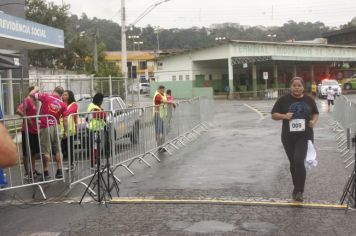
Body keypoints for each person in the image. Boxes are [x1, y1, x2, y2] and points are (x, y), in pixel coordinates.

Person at [271, 77, 319, 202]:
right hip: (288, 137)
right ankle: (296, 187)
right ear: (290, 87)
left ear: (303, 87)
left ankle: (299, 191)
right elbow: (273, 115)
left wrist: (314, 121)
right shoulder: (283, 100)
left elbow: (315, 113)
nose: (297, 87)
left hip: (305, 135)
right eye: (294, 85)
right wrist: (284, 116)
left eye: (299, 85)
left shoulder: (309, 100)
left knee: (299, 161)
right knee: (293, 163)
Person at [30, 86, 67, 179]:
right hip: (57, 126)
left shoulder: (46, 96)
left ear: (53, 90)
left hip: (45, 126)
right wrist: (65, 131)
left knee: (45, 150)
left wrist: (36, 88)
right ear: (62, 94)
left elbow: (32, 95)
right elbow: (65, 119)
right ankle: (59, 171)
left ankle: (46, 172)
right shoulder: (63, 104)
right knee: (58, 150)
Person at [16, 86, 41, 180]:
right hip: (27, 130)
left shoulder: (33, 101)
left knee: (33, 152)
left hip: (34, 130)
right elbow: (18, 110)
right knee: (26, 153)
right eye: (36, 91)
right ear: (32, 92)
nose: (37, 93)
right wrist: (28, 119)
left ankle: (33, 171)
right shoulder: (27, 100)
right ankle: (27, 173)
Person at [87, 93, 107, 167]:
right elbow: (102, 115)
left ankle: (97, 162)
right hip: (94, 129)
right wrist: (103, 112)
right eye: (101, 100)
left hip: (96, 129)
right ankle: (95, 163)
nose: (102, 102)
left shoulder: (94, 106)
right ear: (99, 100)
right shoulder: (94, 107)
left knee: (97, 147)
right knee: (95, 147)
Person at [153, 85, 176, 150]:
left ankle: (161, 146)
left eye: (164, 90)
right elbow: (164, 101)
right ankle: (159, 146)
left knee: (162, 131)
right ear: (159, 89)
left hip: (162, 116)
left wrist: (172, 101)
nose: (163, 91)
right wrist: (172, 102)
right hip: (157, 115)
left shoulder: (162, 94)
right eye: (162, 90)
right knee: (158, 131)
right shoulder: (157, 95)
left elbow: (168, 97)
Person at [60, 90, 78, 168]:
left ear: (69, 96)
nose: (63, 96)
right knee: (62, 148)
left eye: (65, 95)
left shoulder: (74, 104)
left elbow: (67, 112)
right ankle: (62, 165)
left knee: (69, 147)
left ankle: (71, 163)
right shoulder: (61, 104)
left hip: (70, 129)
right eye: (63, 95)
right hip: (61, 129)